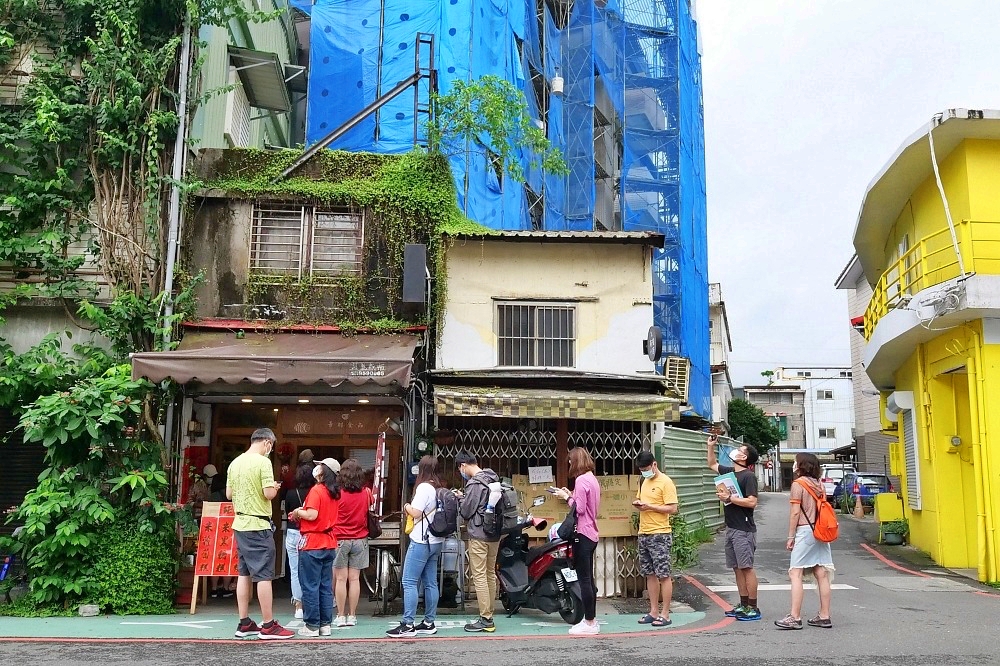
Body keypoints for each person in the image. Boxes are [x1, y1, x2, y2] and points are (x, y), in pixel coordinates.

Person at [226, 428, 293, 639]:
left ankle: (244, 622)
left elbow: (229, 494)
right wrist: (274, 487)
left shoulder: (235, 462)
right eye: (270, 446)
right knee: (264, 575)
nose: (270, 450)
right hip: (258, 524)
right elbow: (267, 494)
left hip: (240, 523)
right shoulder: (263, 463)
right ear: (267, 443)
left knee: (244, 573)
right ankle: (268, 625)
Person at [386, 456, 445, 638]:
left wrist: (406, 506)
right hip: (436, 541)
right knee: (430, 583)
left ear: (421, 469)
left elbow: (416, 512)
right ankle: (429, 622)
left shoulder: (424, 488)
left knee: (409, 581)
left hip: (421, 541)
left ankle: (408, 624)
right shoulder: (439, 487)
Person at [775, 452, 835, 630]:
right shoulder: (819, 484)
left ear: (801, 465)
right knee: (821, 572)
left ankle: (795, 617)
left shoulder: (798, 484)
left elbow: (795, 513)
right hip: (820, 531)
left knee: (795, 573)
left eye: (795, 462)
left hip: (804, 531)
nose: (794, 465)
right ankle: (824, 616)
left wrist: (790, 536)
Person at [707, 433, 761, 621]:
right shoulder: (729, 473)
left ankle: (753, 607)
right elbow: (712, 465)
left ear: (744, 457)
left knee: (746, 567)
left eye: (740, 450)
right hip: (731, 527)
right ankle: (743, 604)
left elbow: (752, 502)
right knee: (737, 568)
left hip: (744, 529)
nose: (736, 450)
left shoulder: (748, 477)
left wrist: (730, 498)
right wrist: (711, 446)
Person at [289, 458, 340, 637]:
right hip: (329, 542)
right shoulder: (334, 492)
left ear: (322, 471)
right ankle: (325, 624)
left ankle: (311, 625)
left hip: (312, 542)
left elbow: (311, 515)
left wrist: (297, 512)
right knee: (325, 586)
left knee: (310, 585)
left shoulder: (317, 490)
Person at [553, 447, 601, 635]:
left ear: (576, 461)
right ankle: (592, 620)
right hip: (592, 534)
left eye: (571, 461)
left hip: (582, 534)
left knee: (585, 581)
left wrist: (566, 497)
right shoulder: (592, 479)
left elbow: (579, 509)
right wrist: (570, 494)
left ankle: (589, 622)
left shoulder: (581, 480)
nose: (570, 464)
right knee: (589, 580)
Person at [455, 451, 502, 633]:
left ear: (464, 465)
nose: (461, 471)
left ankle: (486, 619)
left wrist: (461, 500)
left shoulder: (475, 483)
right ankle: (489, 613)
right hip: (494, 534)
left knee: (480, 575)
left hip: (480, 534)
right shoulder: (492, 477)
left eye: (460, 468)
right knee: (490, 573)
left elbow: (467, 512)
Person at [633, 450, 679, 628]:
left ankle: (665, 614)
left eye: (646, 468)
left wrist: (650, 506)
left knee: (664, 574)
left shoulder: (666, 482)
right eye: (641, 469)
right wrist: (639, 505)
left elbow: (673, 508)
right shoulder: (643, 481)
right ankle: (653, 611)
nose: (644, 472)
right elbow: (641, 499)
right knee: (649, 574)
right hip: (644, 532)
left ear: (654, 464)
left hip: (660, 533)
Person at [333, 458, 371, 628]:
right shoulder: (366, 493)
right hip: (360, 538)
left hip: (340, 538)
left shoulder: (337, 494)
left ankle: (340, 616)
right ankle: (353, 615)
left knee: (341, 579)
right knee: (355, 579)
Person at [283, 461, 315, 620]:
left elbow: (287, 511)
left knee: (295, 570)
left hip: (293, 532)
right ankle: (311, 604)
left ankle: (298, 606)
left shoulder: (290, 493)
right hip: (310, 533)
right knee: (311, 570)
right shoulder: (315, 493)